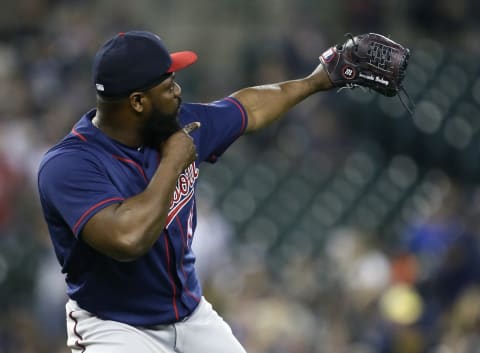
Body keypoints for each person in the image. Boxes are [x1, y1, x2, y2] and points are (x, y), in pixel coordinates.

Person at [37, 30, 333, 353]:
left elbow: (249, 108)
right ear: (138, 102)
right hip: (115, 326)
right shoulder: (68, 166)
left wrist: (317, 80)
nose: (178, 91)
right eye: (168, 86)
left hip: (190, 315)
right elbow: (128, 238)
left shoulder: (175, 125)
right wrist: (172, 163)